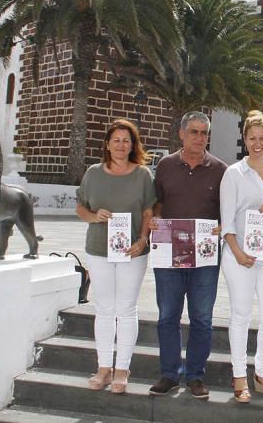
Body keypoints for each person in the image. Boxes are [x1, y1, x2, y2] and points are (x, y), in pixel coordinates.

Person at [148, 111, 227, 399]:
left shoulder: (220, 169)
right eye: (193, 132)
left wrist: (220, 228)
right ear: (181, 134)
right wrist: (154, 221)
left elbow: (225, 212)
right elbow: (156, 204)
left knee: (202, 318)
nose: (199, 137)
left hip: (205, 257)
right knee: (168, 315)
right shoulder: (166, 166)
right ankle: (169, 374)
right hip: (168, 254)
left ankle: (195, 376)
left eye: (204, 132)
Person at [75, 119, 156, 395]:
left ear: (133, 145)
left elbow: (148, 212)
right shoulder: (93, 174)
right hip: (99, 249)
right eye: (116, 140)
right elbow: (81, 208)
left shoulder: (143, 175)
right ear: (107, 144)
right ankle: (103, 367)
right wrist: (94, 216)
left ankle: (122, 368)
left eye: (127, 140)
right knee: (105, 309)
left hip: (133, 252)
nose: (121, 145)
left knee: (126, 308)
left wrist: (143, 239)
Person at [219, 110, 263, 403]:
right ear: (244, 139)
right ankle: (239, 375)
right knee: (241, 315)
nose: (257, 143)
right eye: (252, 138)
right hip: (240, 256)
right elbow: (227, 219)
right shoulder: (234, 173)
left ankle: (262, 372)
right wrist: (237, 252)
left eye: (262, 138)